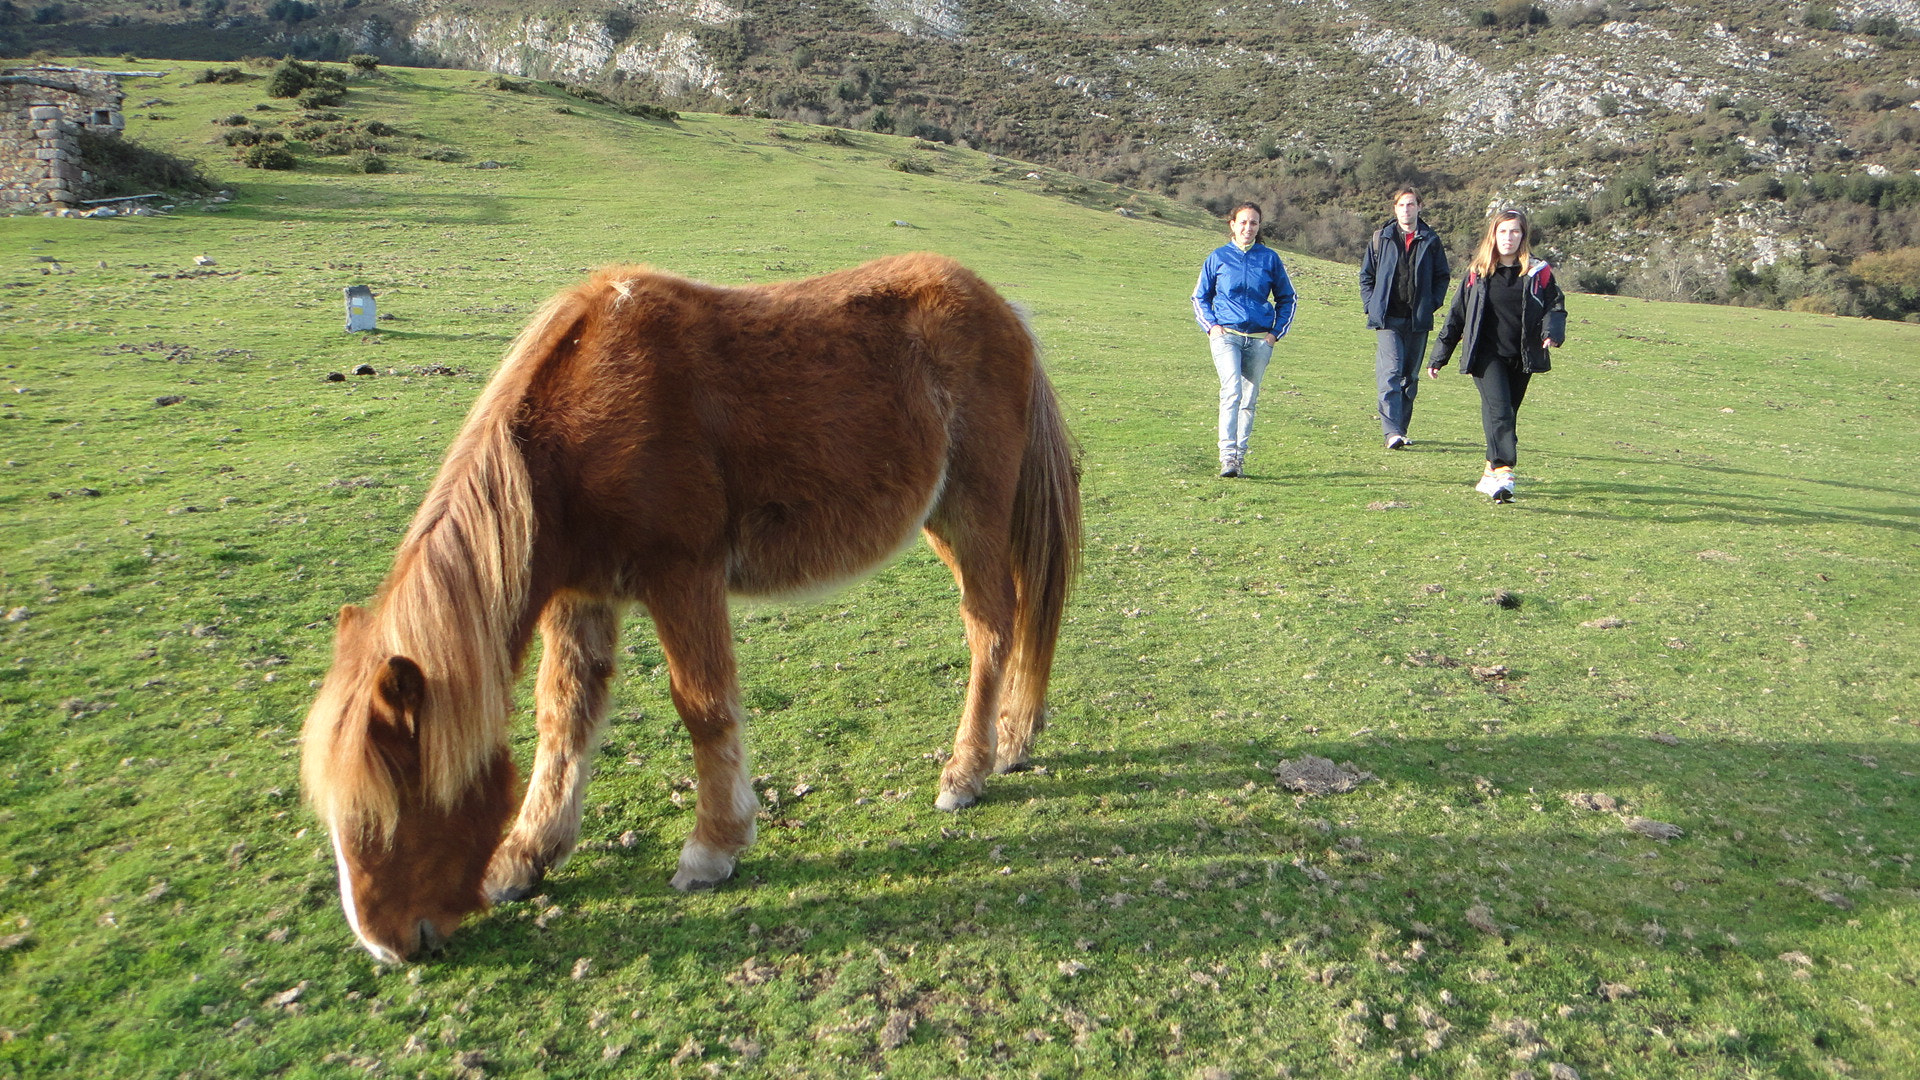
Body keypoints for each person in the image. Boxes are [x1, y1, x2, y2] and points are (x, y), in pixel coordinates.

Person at [1426, 208, 1567, 503]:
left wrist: (1551, 332)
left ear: (1523, 236)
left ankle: (1490, 472)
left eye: (1514, 231)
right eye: (1503, 231)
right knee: (1500, 411)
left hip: (1523, 356)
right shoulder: (1477, 273)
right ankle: (1504, 472)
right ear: (1493, 235)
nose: (1508, 237)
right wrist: (1439, 356)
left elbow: (1555, 306)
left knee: (1506, 415)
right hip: (1485, 356)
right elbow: (1457, 316)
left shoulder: (1538, 272)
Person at [1191, 202, 1296, 477]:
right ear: (1232, 224)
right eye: (1243, 222)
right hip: (1227, 335)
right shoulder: (1218, 257)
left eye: (1254, 223)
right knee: (1232, 391)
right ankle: (1226, 456)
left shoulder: (1269, 258)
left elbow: (1288, 298)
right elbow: (1200, 296)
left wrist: (1275, 334)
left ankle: (1239, 458)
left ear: (1259, 227)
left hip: (1260, 339)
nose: (1248, 228)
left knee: (1249, 398)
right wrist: (1212, 327)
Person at [1359, 187, 1450, 450]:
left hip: (1417, 320)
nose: (1406, 209)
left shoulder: (1431, 240)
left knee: (1409, 377)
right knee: (1390, 372)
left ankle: (1401, 429)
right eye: (1402, 205)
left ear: (1420, 207)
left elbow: (1442, 277)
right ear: (1395, 208)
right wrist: (1371, 304)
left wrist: (1431, 304)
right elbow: (1366, 276)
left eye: (1411, 204)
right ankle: (1391, 432)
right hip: (1388, 319)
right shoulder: (1381, 238)